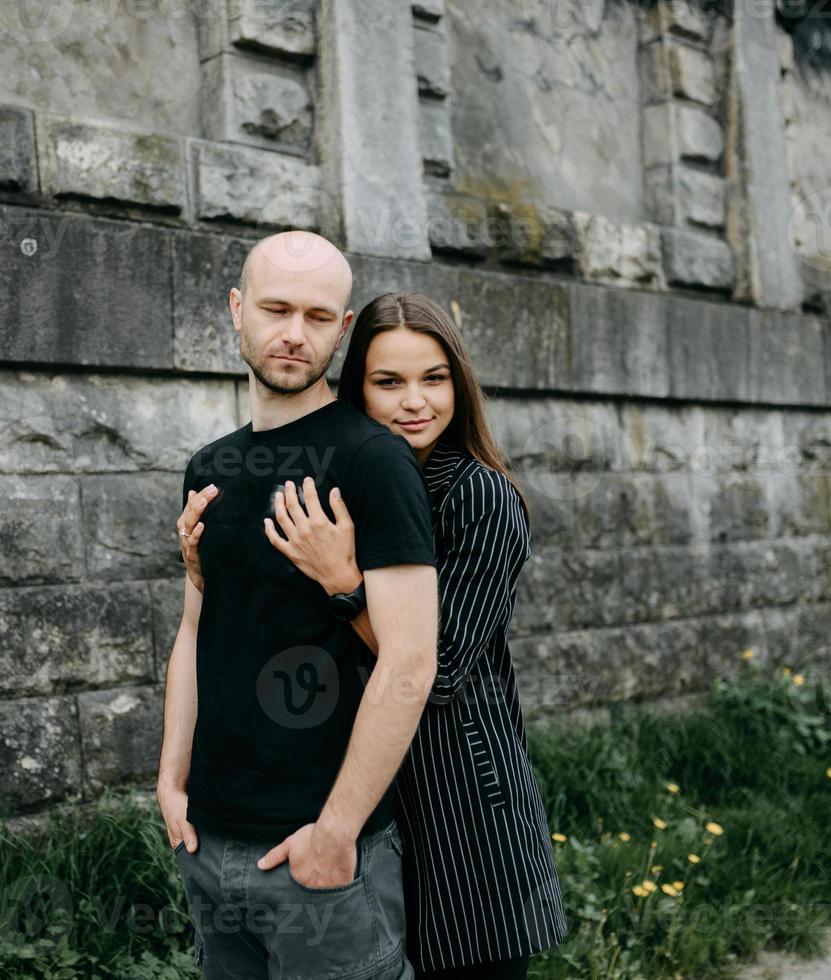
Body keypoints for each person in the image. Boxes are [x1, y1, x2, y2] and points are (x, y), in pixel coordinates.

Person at [177, 291, 569, 980]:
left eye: (434, 379)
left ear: (461, 385)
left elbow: (440, 668)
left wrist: (344, 582)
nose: (414, 402)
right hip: (365, 790)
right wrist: (206, 561)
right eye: (388, 382)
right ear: (356, 387)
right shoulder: (350, 478)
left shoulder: (477, 495)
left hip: (457, 801)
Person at [157, 230, 438, 980]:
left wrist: (337, 834)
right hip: (208, 843)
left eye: (319, 317)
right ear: (237, 309)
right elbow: (195, 629)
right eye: (276, 309)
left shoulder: (370, 459)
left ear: (343, 331)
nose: (293, 334)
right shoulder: (210, 466)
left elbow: (411, 663)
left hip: (321, 853)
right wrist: (171, 781)